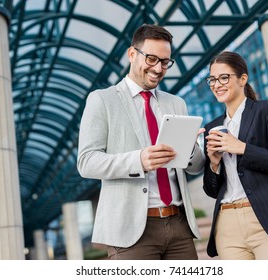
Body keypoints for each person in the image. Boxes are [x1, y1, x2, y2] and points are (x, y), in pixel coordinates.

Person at [77, 24, 205, 260]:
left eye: (165, 62)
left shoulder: (177, 103)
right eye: (152, 59)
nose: (158, 68)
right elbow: (86, 162)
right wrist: (139, 160)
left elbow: (196, 167)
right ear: (132, 54)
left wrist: (190, 150)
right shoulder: (102, 100)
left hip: (179, 226)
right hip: (131, 231)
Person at [203, 51, 268, 260]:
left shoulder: (266, 110)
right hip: (227, 224)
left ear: (243, 78)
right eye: (212, 79)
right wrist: (214, 165)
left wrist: (243, 148)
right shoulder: (212, 127)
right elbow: (212, 190)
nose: (217, 84)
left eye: (224, 77)